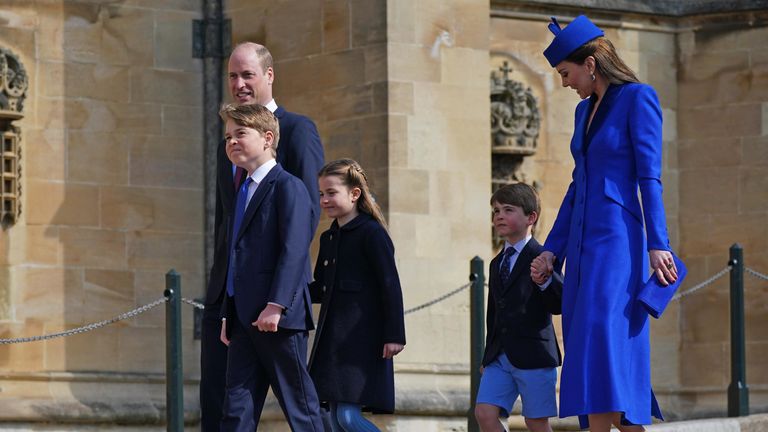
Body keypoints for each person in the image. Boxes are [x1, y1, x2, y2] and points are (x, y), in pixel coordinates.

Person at [533, 15, 679, 432]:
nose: (564, 83)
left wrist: (658, 243)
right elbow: (577, 185)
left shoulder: (639, 98)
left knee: (602, 339)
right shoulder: (583, 113)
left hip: (617, 240)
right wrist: (551, 250)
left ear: (591, 63)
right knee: (589, 346)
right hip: (580, 244)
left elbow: (650, 177)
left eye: (566, 73)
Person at [200, 42, 324, 431]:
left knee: (298, 405)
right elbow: (227, 225)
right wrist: (224, 301)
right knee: (225, 405)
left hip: (275, 303)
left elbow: (303, 218)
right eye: (233, 76)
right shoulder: (229, 145)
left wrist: (278, 299)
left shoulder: (297, 131)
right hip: (232, 300)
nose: (239, 83)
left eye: (247, 74)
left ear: (269, 76)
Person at [308, 159, 406, 432]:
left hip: (362, 343)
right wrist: (283, 297)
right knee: (335, 421)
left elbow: (390, 285)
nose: (324, 200)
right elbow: (320, 287)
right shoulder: (329, 238)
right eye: (321, 194)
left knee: (348, 418)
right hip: (333, 344)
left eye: (331, 193)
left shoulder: (372, 234)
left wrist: (395, 334)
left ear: (354, 194)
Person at [473, 183, 563, 432]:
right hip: (499, 356)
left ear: (530, 217)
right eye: (496, 210)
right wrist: (487, 355)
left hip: (534, 354)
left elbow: (558, 304)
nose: (499, 216)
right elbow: (494, 312)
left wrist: (545, 282)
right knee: (484, 413)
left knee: (535, 422)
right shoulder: (496, 262)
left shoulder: (544, 256)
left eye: (508, 210)